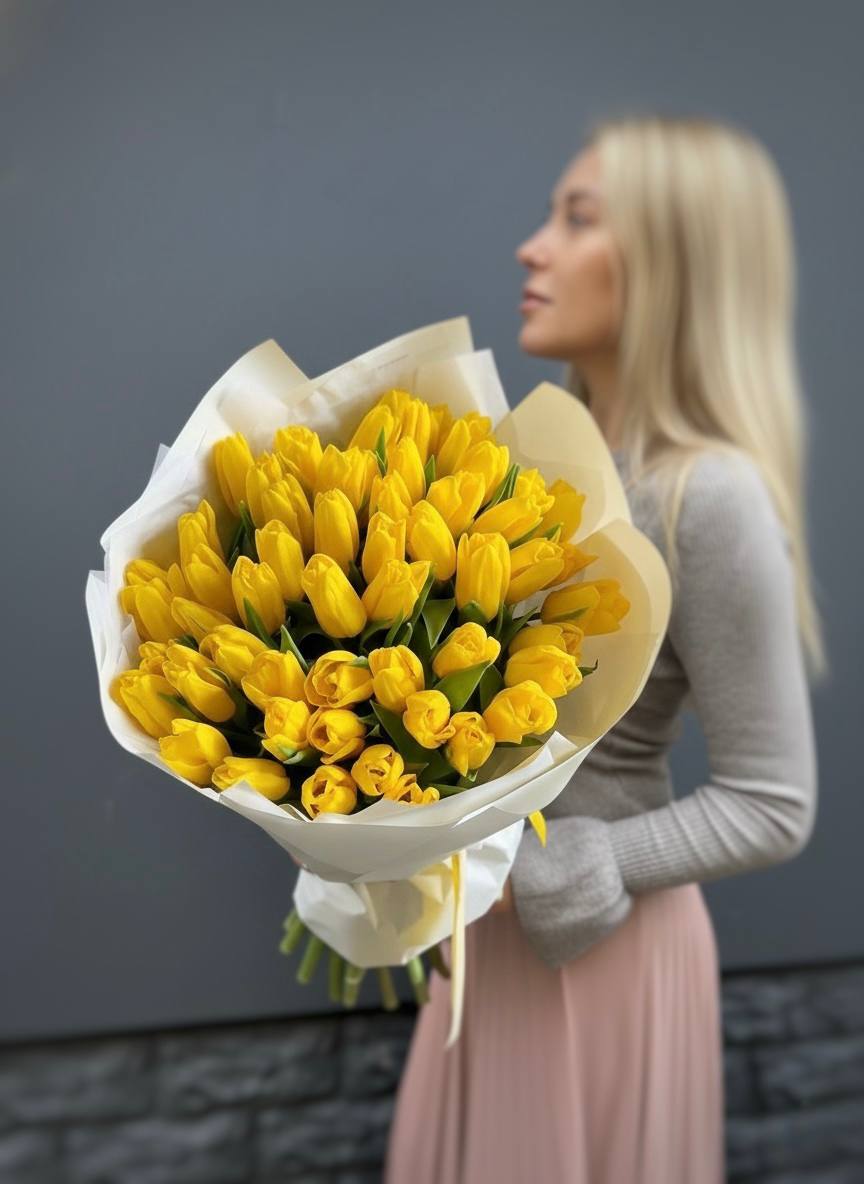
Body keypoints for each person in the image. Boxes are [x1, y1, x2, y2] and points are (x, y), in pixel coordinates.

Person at [383, 115, 826, 1184]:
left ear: (673, 259)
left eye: (577, 220)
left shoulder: (705, 496)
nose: (532, 248)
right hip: (485, 949)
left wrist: (582, 861)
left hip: (600, 953)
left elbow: (776, 800)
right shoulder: (527, 472)